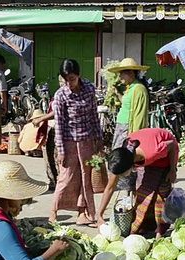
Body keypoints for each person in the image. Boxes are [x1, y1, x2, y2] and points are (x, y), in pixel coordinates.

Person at [96, 128, 179, 239]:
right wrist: (99, 215)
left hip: (166, 154)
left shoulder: (152, 152)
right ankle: (145, 227)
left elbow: (171, 145)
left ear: (131, 166)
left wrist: (172, 170)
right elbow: (110, 187)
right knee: (143, 193)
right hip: (147, 149)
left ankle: (160, 231)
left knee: (160, 195)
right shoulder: (122, 156)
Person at [50, 59, 102, 226]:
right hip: (68, 142)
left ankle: (83, 212)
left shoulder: (89, 89)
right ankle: (53, 212)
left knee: (85, 178)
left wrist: (99, 139)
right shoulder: (60, 95)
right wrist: (61, 150)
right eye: (65, 80)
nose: (69, 83)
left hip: (86, 141)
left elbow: (94, 115)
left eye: (72, 79)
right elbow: (59, 124)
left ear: (79, 75)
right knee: (66, 178)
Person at [31, 75, 66, 190]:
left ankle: (60, 181)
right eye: (60, 81)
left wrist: (41, 119)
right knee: (50, 155)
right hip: (55, 128)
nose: (61, 83)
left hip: (61, 131)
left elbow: (56, 112)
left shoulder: (66, 95)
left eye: (63, 80)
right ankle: (54, 180)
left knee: (57, 157)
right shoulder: (60, 93)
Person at [108, 58, 150, 148]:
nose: (120, 77)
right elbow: (125, 103)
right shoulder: (130, 87)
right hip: (122, 125)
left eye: (121, 74)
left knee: (123, 154)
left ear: (131, 73)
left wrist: (135, 135)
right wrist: (117, 93)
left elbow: (140, 114)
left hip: (128, 127)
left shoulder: (139, 89)